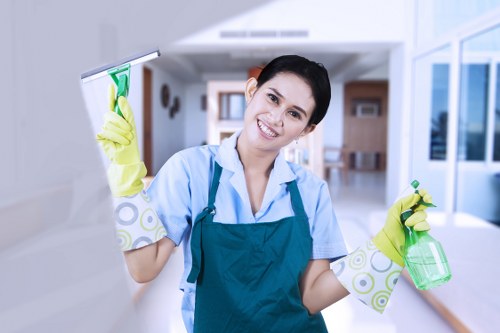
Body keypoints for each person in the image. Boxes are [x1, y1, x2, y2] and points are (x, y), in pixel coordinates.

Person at [96, 55, 433, 333]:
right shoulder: (190, 171)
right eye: (273, 98)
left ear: (307, 129)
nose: (275, 118)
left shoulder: (311, 191)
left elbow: (312, 296)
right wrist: (126, 185)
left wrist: (385, 247)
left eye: (295, 114)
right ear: (252, 90)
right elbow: (143, 268)